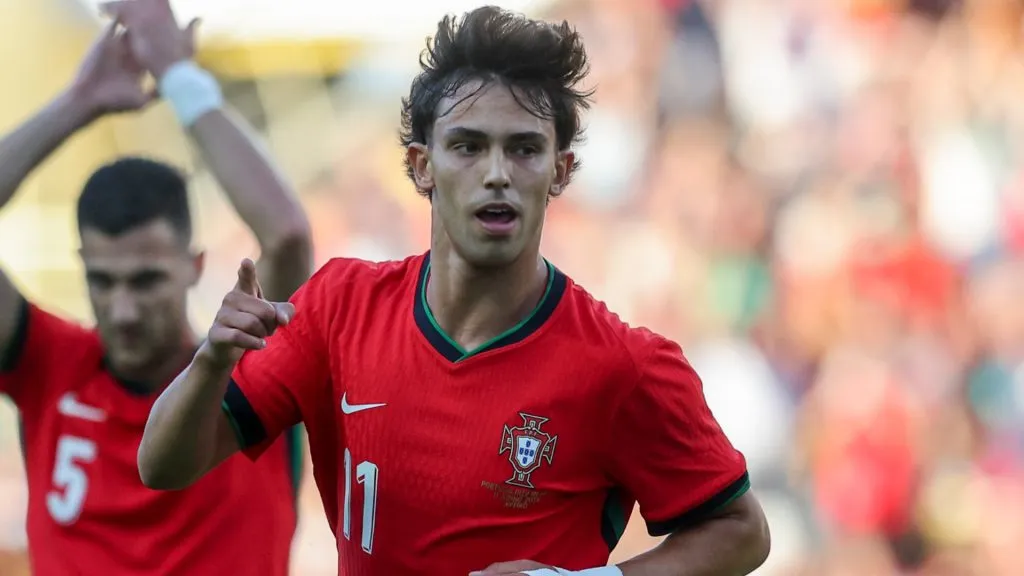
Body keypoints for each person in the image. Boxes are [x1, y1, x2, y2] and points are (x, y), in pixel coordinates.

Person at [139, 6, 771, 576]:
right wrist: (210, 361)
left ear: (560, 171)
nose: (496, 174)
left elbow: (741, 532)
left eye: (523, 149)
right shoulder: (338, 307)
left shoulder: (624, 365)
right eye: (468, 146)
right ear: (422, 166)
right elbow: (163, 467)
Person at [0, 1, 311, 574]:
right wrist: (79, 103)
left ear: (194, 266)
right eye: (102, 280)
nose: (122, 310)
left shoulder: (248, 368)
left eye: (146, 280)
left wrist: (179, 78)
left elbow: (288, 236)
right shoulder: (49, 365)